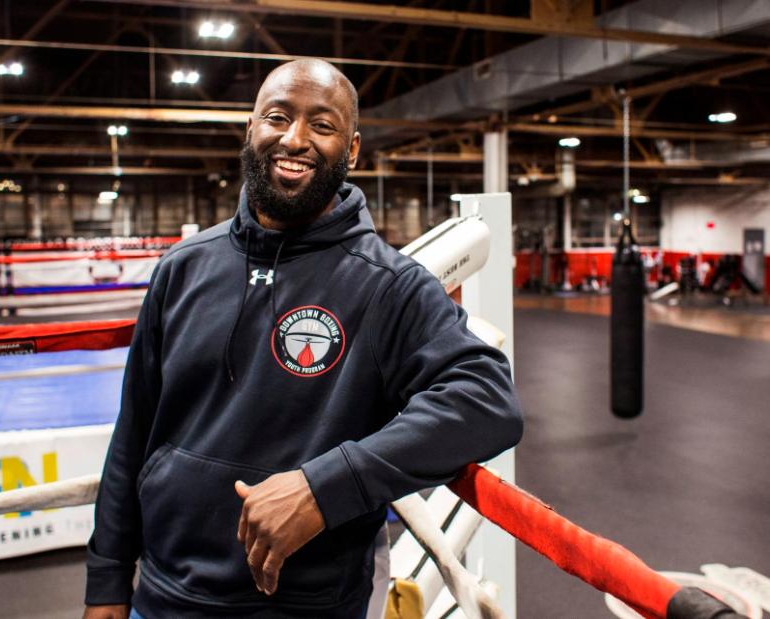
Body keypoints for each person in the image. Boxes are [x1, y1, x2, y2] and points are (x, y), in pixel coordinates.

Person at [83, 59, 523, 619]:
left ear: (353, 149)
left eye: (322, 125)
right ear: (251, 129)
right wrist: (107, 582)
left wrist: (327, 486)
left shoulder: (387, 286)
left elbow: (487, 400)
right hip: (163, 597)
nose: (295, 139)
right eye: (277, 117)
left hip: (305, 608)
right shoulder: (183, 270)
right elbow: (134, 434)